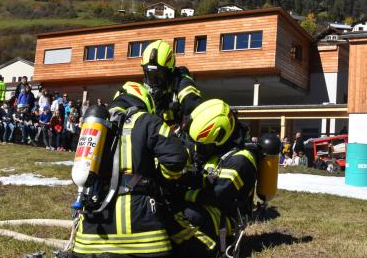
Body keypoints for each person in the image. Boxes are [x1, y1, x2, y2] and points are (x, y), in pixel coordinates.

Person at [72, 81, 188, 257]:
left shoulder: (98, 126)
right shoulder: (148, 120)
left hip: (89, 236)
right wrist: (160, 180)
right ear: (144, 101)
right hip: (141, 235)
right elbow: (176, 159)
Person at [165, 99, 257, 258]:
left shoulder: (241, 161)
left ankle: (213, 251)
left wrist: (178, 193)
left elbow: (215, 195)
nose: (197, 149)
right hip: (208, 207)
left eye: (202, 145)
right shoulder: (217, 150)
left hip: (225, 219)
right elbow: (200, 176)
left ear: (220, 135)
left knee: (182, 213)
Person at [140, 40, 203, 126]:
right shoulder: (145, 87)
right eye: (150, 75)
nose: (154, 80)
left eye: (159, 75)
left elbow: (195, 112)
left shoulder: (183, 84)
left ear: (170, 71)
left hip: (180, 135)